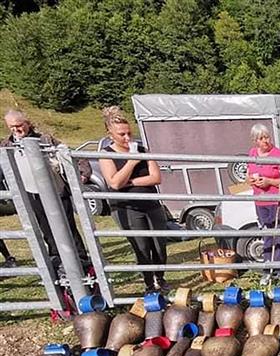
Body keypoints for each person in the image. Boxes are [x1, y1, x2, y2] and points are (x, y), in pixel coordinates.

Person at [1, 109, 91, 272]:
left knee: (68, 226)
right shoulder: (6, 145)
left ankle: (82, 260)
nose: (16, 130)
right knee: (46, 229)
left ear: (27, 123)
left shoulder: (45, 140)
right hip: (31, 194)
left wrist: (82, 175)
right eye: (11, 127)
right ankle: (56, 261)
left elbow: (71, 155)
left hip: (56, 191)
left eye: (19, 125)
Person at [99, 106, 169, 292]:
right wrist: (131, 161)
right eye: (122, 134)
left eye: (129, 133)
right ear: (110, 134)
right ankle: (149, 284)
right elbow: (114, 183)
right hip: (127, 207)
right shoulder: (106, 155)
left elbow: (156, 177)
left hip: (151, 203)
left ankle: (160, 278)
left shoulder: (142, 149)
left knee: (159, 244)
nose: (127, 138)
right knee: (141, 246)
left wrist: (129, 180)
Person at [246, 124, 280, 285]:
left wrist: (268, 181)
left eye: (267, 137)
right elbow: (247, 176)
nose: (265, 141)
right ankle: (268, 269)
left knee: (279, 235)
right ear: (255, 141)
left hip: (276, 200)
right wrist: (252, 181)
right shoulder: (252, 154)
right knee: (266, 234)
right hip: (260, 201)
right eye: (261, 138)